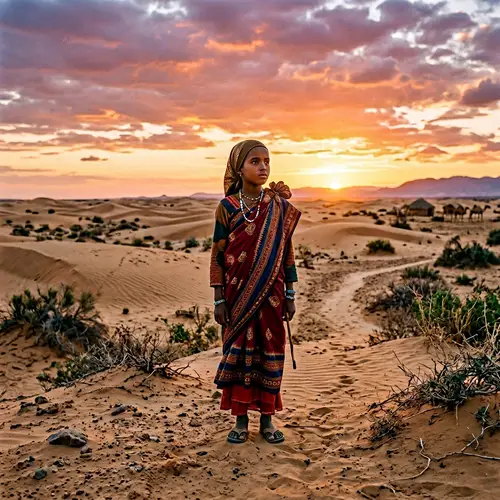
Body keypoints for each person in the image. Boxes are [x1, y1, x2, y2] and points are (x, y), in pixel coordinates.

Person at [209, 139, 301, 444]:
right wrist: (218, 297)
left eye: (266, 161)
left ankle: (267, 421)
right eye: (255, 161)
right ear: (239, 167)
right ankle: (239, 421)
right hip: (236, 296)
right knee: (239, 354)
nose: (263, 167)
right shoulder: (228, 207)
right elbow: (218, 255)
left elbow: (286, 251)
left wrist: (290, 293)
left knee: (268, 352)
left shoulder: (278, 206)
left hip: (272, 294)